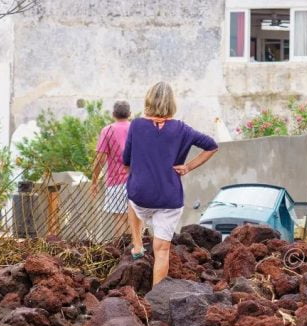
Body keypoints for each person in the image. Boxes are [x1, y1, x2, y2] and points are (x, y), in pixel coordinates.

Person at [123, 81, 218, 286]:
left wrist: (138, 173)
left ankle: (137, 244)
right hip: (170, 198)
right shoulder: (182, 129)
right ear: (172, 103)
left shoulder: (137, 125)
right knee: (162, 249)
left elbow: (126, 162)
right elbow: (212, 146)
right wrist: (188, 167)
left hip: (141, 195)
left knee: (130, 197)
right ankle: (156, 299)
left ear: (148, 100)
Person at [92, 100, 132, 235]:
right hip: (137, 181)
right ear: (130, 114)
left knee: (120, 219)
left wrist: (94, 181)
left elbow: (100, 159)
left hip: (116, 182)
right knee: (136, 219)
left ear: (113, 114)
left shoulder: (107, 130)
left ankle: (123, 253)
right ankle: (138, 251)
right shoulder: (136, 129)